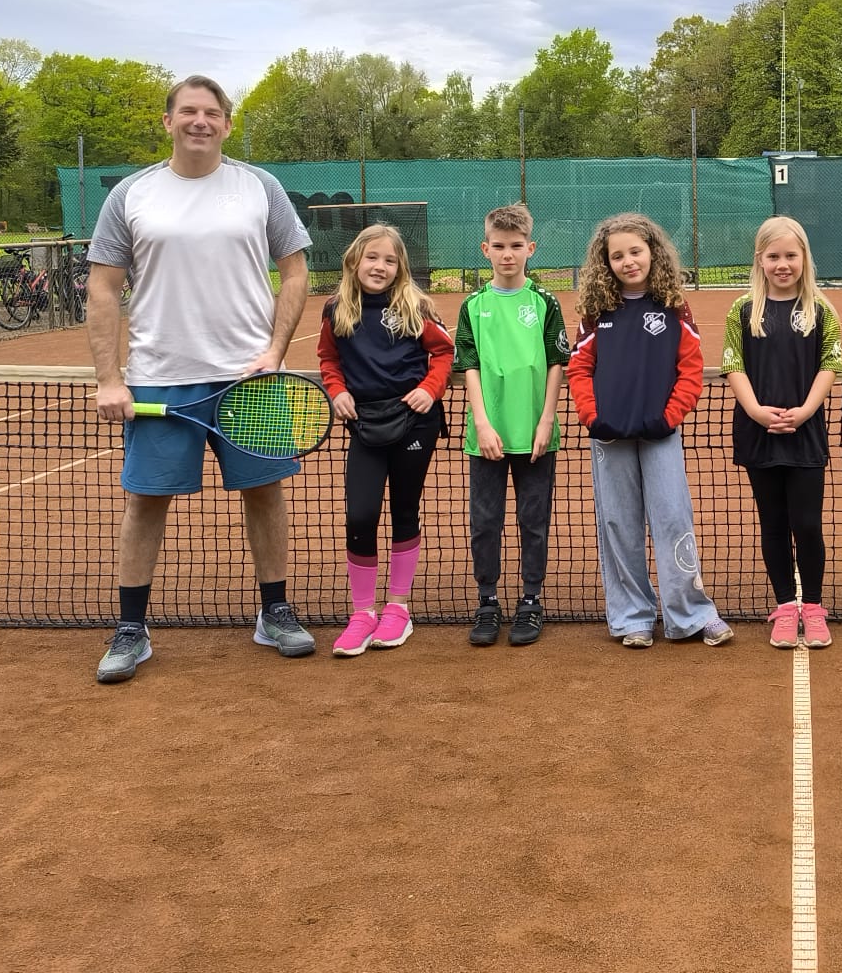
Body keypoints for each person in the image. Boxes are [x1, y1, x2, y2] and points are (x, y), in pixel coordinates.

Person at [87, 75, 316, 684]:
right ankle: (131, 630)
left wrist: (275, 350)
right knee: (145, 502)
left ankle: (275, 612)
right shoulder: (131, 195)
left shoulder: (259, 187)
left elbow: (295, 274)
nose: (200, 121)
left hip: (249, 377)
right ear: (168, 122)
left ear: (227, 124)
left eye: (212, 113)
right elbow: (102, 287)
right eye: (188, 111)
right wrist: (110, 379)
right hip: (160, 378)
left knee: (266, 494)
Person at [567, 212, 732, 649]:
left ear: (652, 252)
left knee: (673, 519)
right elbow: (579, 368)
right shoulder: (595, 310)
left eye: (635, 251)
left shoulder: (674, 305)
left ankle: (691, 614)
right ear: (605, 262)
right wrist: (591, 416)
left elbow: (690, 369)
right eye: (616, 255)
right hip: (608, 436)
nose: (627, 261)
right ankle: (632, 617)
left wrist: (669, 416)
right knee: (618, 523)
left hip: (661, 432)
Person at [316, 224, 455, 658]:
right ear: (354, 261)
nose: (380, 266)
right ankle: (362, 614)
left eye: (390, 260)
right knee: (360, 516)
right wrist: (336, 391)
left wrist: (429, 390)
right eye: (372, 257)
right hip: (365, 425)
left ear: (400, 268)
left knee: (404, 511)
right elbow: (328, 358)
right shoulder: (338, 308)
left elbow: (445, 352)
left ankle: (398, 608)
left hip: (415, 422)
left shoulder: (414, 306)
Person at [721, 216, 842, 649]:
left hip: (805, 434)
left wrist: (808, 410)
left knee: (807, 524)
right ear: (760, 259)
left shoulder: (820, 309)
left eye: (791, 255)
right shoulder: (742, 309)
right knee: (772, 524)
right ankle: (786, 608)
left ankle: (813, 606)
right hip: (759, 434)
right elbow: (733, 363)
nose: (783, 264)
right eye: (774, 256)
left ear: (804, 257)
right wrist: (754, 410)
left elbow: (831, 363)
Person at [455, 203, 569, 648]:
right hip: (486, 436)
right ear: (485, 249)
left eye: (516, 246)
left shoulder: (545, 302)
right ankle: (487, 602)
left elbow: (558, 362)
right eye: (499, 246)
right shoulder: (473, 305)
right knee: (485, 521)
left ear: (531, 249)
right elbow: (470, 365)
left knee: (533, 520)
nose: (507, 254)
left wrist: (546, 421)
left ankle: (531, 601)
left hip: (537, 435)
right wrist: (482, 423)